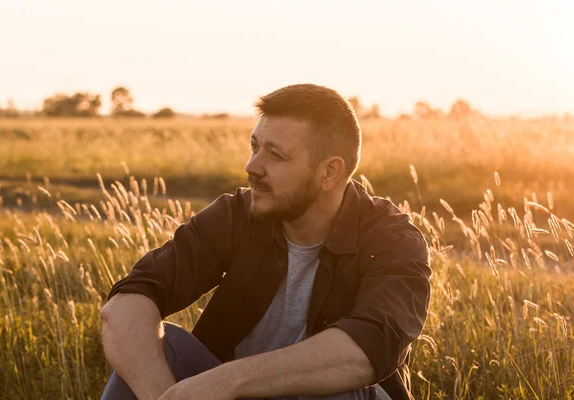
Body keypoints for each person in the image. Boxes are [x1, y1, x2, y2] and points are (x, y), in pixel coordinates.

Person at [100, 84, 432, 400]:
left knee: (336, 387)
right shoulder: (236, 215)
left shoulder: (394, 240)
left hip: (324, 394)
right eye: (255, 146)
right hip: (232, 394)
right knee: (165, 342)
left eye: (275, 155)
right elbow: (126, 304)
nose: (252, 167)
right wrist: (162, 396)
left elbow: (364, 351)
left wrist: (228, 381)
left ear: (330, 172)